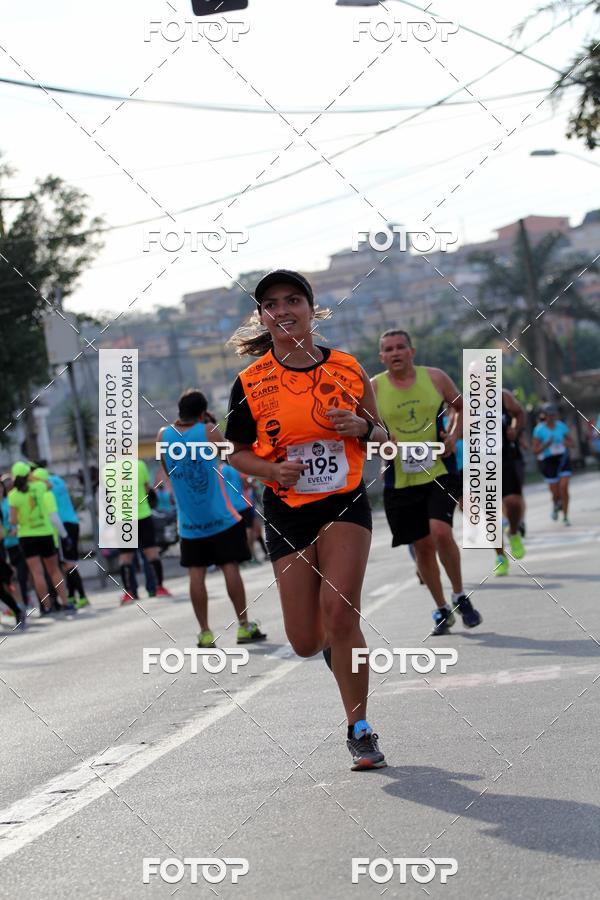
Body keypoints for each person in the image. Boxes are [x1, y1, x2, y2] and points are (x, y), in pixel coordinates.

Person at [225, 268, 388, 771]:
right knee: (304, 640)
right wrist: (273, 469)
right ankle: (329, 650)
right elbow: (235, 455)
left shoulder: (346, 367)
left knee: (342, 615)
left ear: (311, 309)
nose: (283, 310)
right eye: (271, 303)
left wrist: (361, 425)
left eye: (293, 300)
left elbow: (383, 437)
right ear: (262, 316)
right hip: (287, 510)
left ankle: (359, 727)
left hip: (343, 501)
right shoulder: (250, 381)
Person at [372, 329, 482, 636]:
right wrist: (382, 445)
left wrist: (454, 436)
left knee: (440, 532)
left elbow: (463, 407)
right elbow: (366, 429)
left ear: (411, 351)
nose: (395, 353)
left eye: (400, 347)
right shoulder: (374, 387)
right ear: (382, 357)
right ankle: (441, 607)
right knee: (421, 546)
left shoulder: (435, 377)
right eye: (388, 350)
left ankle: (460, 595)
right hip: (400, 476)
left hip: (439, 470)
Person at [157, 389, 266, 648]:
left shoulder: (164, 435)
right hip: (221, 517)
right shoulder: (207, 432)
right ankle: (243, 627)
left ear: (179, 409)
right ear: (203, 412)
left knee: (196, 575)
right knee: (230, 567)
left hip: (190, 523)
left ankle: (205, 632)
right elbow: (234, 458)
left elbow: (168, 472)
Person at [7, 462, 72, 612]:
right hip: (45, 533)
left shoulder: (13, 495)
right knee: (54, 570)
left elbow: (13, 520)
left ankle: (47, 606)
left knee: (37, 573)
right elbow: (49, 485)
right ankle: (65, 602)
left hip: (27, 536)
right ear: (28, 475)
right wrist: (33, 477)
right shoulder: (39, 487)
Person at [118, 458, 172, 604]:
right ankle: (158, 588)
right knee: (151, 553)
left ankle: (129, 592)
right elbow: (148, 489)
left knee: (125, 558)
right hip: (143, 515)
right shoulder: (139, 465)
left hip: (123, 518)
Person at [44, 470, 90, 609]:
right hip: (73, 522)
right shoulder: (58, 479)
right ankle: (71, 595)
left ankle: (82, 596)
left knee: (68, 564)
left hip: (63, 525)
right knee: (69, 562)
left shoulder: (46, 488)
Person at [494, 390, 527, 575]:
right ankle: (500, 556)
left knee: (513, 502)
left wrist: (515, 428)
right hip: (480, 463)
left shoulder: (502, 396)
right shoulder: (464, 402)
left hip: (506, 458)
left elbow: (520, 413)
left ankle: (513, 532)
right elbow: (454, 423)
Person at [532, 403, 574, 525]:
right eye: (549, 415)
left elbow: (572, 443)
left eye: (553, 414)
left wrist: (567, 443)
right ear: (544, 416)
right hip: (549, 461)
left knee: (564, 487)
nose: (551, 417)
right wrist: (546, 445)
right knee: (555, 493)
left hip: (563, 459)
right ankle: (556, 504)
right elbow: (535, 450)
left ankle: (565, 516)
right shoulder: (539, 430)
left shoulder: (561, 426)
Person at [1, 474, 30, 607]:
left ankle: (22, 602)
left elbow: (19, 518)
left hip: (16, 544)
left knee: (18, 577)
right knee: (7, 580)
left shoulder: (9, 501)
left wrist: (15, 529)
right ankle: (12, 605)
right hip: (4, 546)